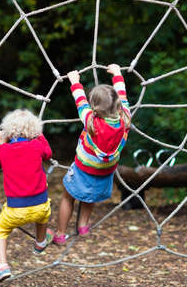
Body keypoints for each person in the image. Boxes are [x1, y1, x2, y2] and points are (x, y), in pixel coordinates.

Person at [54, 64, 132, 245]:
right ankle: (83, 226)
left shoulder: (90, 121)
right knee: (90, 196)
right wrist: (118, 74)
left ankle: (60, 233)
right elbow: (123, 95)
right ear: (118, 105)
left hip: (83, 169)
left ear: (95, 107)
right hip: (105, 171)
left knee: (68, 196)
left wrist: (75, 82)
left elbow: (80, 100)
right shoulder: (125, 118)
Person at [0, 109, 54, 282]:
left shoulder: (4, 150)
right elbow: (48, 153)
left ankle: (2, 267)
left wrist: (1, 143)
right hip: (41, 205)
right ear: (35, 130)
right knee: (43, 214)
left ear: (8, 131)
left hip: (16, 209)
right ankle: (40, 242)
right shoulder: (37, 145)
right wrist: (40, 136)